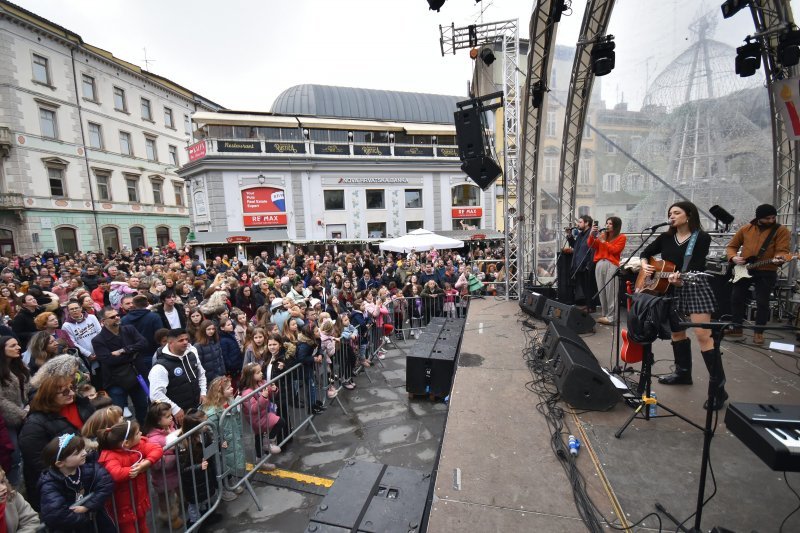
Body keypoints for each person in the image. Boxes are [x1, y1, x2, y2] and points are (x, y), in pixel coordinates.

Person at [640, 201, 726, 410]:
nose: (672, 216)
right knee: (677, 333)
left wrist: (680, 279)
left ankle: (719, 390)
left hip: (694, 285)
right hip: (669, 288)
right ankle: (683, 373)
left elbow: (696, 265)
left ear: (688, 215)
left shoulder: (701, 237)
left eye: (676, 213)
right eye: (670, 213)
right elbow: (645, 253)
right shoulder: (666, 237)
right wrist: (646, 266)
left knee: (703, 335)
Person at [18, 370, 95, 510]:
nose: (72, 393)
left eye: (71, 388)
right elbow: (38, 463)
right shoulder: (34, 425)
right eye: (65, 392)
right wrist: (68, 477)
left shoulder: (58, 414)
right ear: (49, 396)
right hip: (58, 493)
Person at [725, 204, 790, 345]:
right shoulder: (746, 229)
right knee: (736, 298)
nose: (772, 220)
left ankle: (758, 332)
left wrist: (780, 257)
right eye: (768, 218)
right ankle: (736, 328)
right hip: (745, 268)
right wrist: (733, 257)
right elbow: (731, 246)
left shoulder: (781, 230)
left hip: (767, 270)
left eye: (774, 217)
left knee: (762, 302)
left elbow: (782, 250)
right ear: (759, 218)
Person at [37, 434, 115, 533]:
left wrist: (87, 507)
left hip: (98, 525)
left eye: (83, 449)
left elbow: (106, 484)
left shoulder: (89, 467)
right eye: (77, 453)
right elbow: (56, 514)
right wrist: (87, 517)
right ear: (60, 463)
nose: (84, 453)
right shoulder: (49, 484)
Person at [97, 420, 163, 533]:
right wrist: (134, 470)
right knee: (128, 530)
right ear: (126, 443)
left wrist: (147, 462)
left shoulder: (139, 445)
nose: (141, 433)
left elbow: (157, 448)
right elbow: (116, 473)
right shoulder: (110, 456)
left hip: (138, 499)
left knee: (143, 526)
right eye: (137, 433)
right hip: (122, 505)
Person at [90, 307, 149, 425]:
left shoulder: (129, 329)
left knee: (143, 407)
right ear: (103, 321)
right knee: (118, 413)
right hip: (115, 381)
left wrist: (123, 350)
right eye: (112, 317)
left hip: (136, 375)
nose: (117, 318)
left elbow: (143, 343)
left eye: (117, 315)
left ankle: (143, 430)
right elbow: (109, 360)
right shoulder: (98, 340)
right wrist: (132, 354)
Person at [149, 328, 207, 427]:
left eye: (186, 339)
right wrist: (175, 409)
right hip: (178, 416)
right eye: (181, 340)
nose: (185, 342)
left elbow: (201, 374)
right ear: (170, 343)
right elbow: (155, 394)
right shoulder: (160, 367)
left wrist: (203, 392)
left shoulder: (192, 354)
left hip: (196, 408)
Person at [202, 376, 245, 499]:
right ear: (219, 393)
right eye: (228, 388)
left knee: (230, 462)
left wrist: (239, 433)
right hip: (221, 444)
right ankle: (222, 489)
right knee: (219, 466)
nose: (232, 389)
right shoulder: (211, 413)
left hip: (232, 437)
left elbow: (236, 418)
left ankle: (230, 481)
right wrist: (220, 442)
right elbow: (210, 433)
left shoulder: (230, 401)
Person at [143, 402, 183, 530]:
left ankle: (182, 504)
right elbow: (157, 463)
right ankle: (170, 517)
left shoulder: (170, 427)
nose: (171, 417)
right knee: (165, 499)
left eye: (170, 414)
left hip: (176, 472)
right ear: (157, 421)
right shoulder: (153, 440)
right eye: (167, 416)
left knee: (178, 491)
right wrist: (176, 457)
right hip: (163, 478)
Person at [0, 337, 29, 486]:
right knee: (14, 457)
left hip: (25, 413)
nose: (18, 347)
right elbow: (1, 401)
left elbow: (28, 387)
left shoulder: (19, 366)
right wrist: (21, 413)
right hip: (7, 421)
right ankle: (12, 490)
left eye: (18, 344)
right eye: (13, 346)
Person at [588, 217, 627, 326]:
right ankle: (605, 314)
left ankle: (612, 317)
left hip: (611, 264)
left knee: (611, 292)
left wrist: (604, 241)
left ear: (616, 226)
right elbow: (591, 245)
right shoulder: (602, 235)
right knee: (602, 291)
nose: (607, 225)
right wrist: (592, 234)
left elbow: (615, 250)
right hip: (600, 263)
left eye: (610, 223)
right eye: (607, 223)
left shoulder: (621, 237)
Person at [120, 295, 163, 378]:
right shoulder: (154, 317)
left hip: (135, 357)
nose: (130, 305)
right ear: (147, 304)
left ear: (134, 304)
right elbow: (160, 337)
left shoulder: (124, 320)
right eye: (127, 303)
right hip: (152, 354)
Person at [565, 215, 595, 310]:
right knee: (584, 287)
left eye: (580, 222)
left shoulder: (591, 233)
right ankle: (588, 305)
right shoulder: (581, 234)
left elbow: (592, 249)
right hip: (579, 264)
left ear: (587, 223)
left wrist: (588, 264)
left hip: (586, 264)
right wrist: (570, 235)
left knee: (589, 287)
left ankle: (591, 306)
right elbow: (575, 245)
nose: (578, 224)